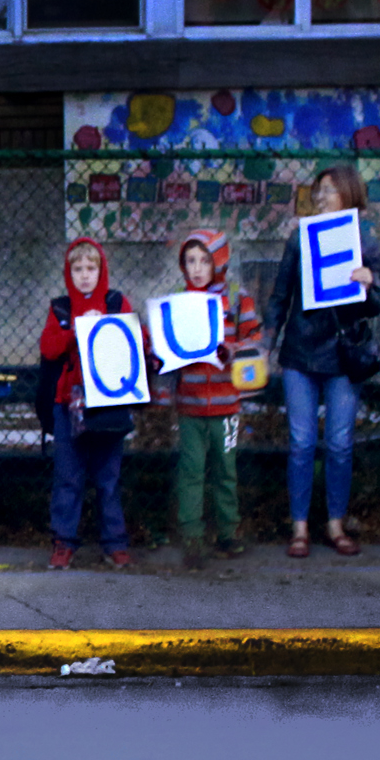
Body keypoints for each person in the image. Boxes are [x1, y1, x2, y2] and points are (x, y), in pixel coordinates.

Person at [266, 169, 380, 557]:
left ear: (348, 194)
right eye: (319, 190)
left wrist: (368, 283)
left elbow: (378, 304)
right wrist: (266, 344)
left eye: (329, 190)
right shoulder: (301, 238)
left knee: (339, 444)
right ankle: (299, 528)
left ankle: (335, 524)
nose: (320, 197)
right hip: (300, 353)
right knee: (301, 443)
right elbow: (280, 296)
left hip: (343, 355)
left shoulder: (364, 240)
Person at [155, 229, 263, 565]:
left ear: (220, 261)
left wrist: (234, 350)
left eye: (205, 260)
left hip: (227, 405)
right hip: (189, 406)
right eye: (190, 261)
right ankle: (192, 536)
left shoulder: (237, 299)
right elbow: (164, 347)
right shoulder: (177, 300)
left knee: (225, 470)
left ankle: (228, 532)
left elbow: (255, 338)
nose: (198, 268)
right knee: (191, 471)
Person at [38, 239, 140, 570]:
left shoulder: (116, 302)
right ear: (69, 273)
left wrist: (105, 325)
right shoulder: (61, 308)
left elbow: (136, 340)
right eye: (77, 269)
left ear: (102, 270)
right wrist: (77, 330)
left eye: (91, 268)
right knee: (68, 476)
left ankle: (115, 542)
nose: (84, 275)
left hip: (108, 402)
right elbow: (49, 347)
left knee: (108, 477)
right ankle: (64, 541)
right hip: (68, 404)